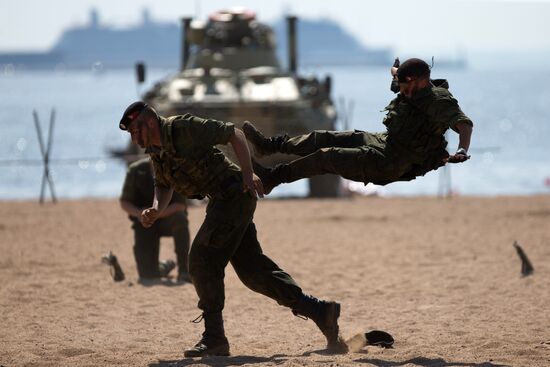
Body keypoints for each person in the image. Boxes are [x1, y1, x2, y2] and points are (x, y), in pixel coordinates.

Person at [118, 101, 363, 357]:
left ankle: (214, 338)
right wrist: (156, 209)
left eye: (135, 131)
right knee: (253, 271)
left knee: (202, 259)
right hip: (221, 199)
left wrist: (248, 173)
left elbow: (234, 133)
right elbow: (163, 184)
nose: (134, 139)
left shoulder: (183, 127)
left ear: (148, 123)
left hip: (234, 193)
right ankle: (321, 312)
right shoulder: (156, 150)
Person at [243, 58, 474, 194]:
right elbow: (397, 76)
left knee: (326, 157)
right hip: (384, 142)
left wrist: (462, 150)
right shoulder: (410, 87)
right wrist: (394, 70)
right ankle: (268, 146)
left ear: (418, 82)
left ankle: (272, 178)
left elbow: (464, 125)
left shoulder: (438, 100)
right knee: (323, 138)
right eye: (400, 86)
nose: (401, 91)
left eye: (404, 87)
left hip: (392, 162)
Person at [120, 157, 191, 283]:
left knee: (180, 218)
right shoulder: (136, 170)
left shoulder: (175, 168)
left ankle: (184, 270)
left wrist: (154, 215)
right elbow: (125, 202)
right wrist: (140, 213)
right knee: (147, 276)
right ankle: (165, 266)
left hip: (168, 220)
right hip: (144, 223)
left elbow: (180, 205)